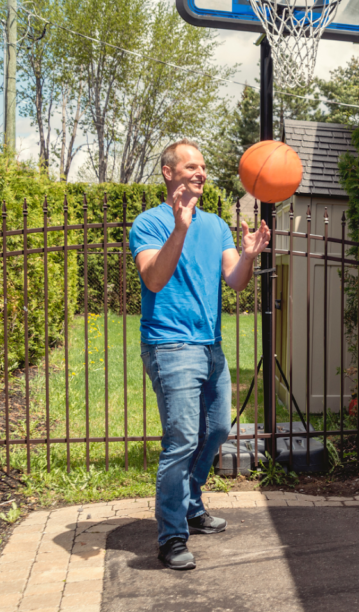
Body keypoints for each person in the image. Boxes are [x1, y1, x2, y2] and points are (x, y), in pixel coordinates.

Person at [130, 138, 270, 570]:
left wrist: (247, 256)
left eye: (204, 166)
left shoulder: (216, 227)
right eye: (191, 165)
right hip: (170, 346)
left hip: (210, 346)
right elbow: (153, 279)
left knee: (215, 430)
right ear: (168, 172)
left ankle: (191, 503)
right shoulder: (149, 223)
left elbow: (235, 280)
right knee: (181, 440)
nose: (201, 172)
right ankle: (171, 536)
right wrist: (180, 228)